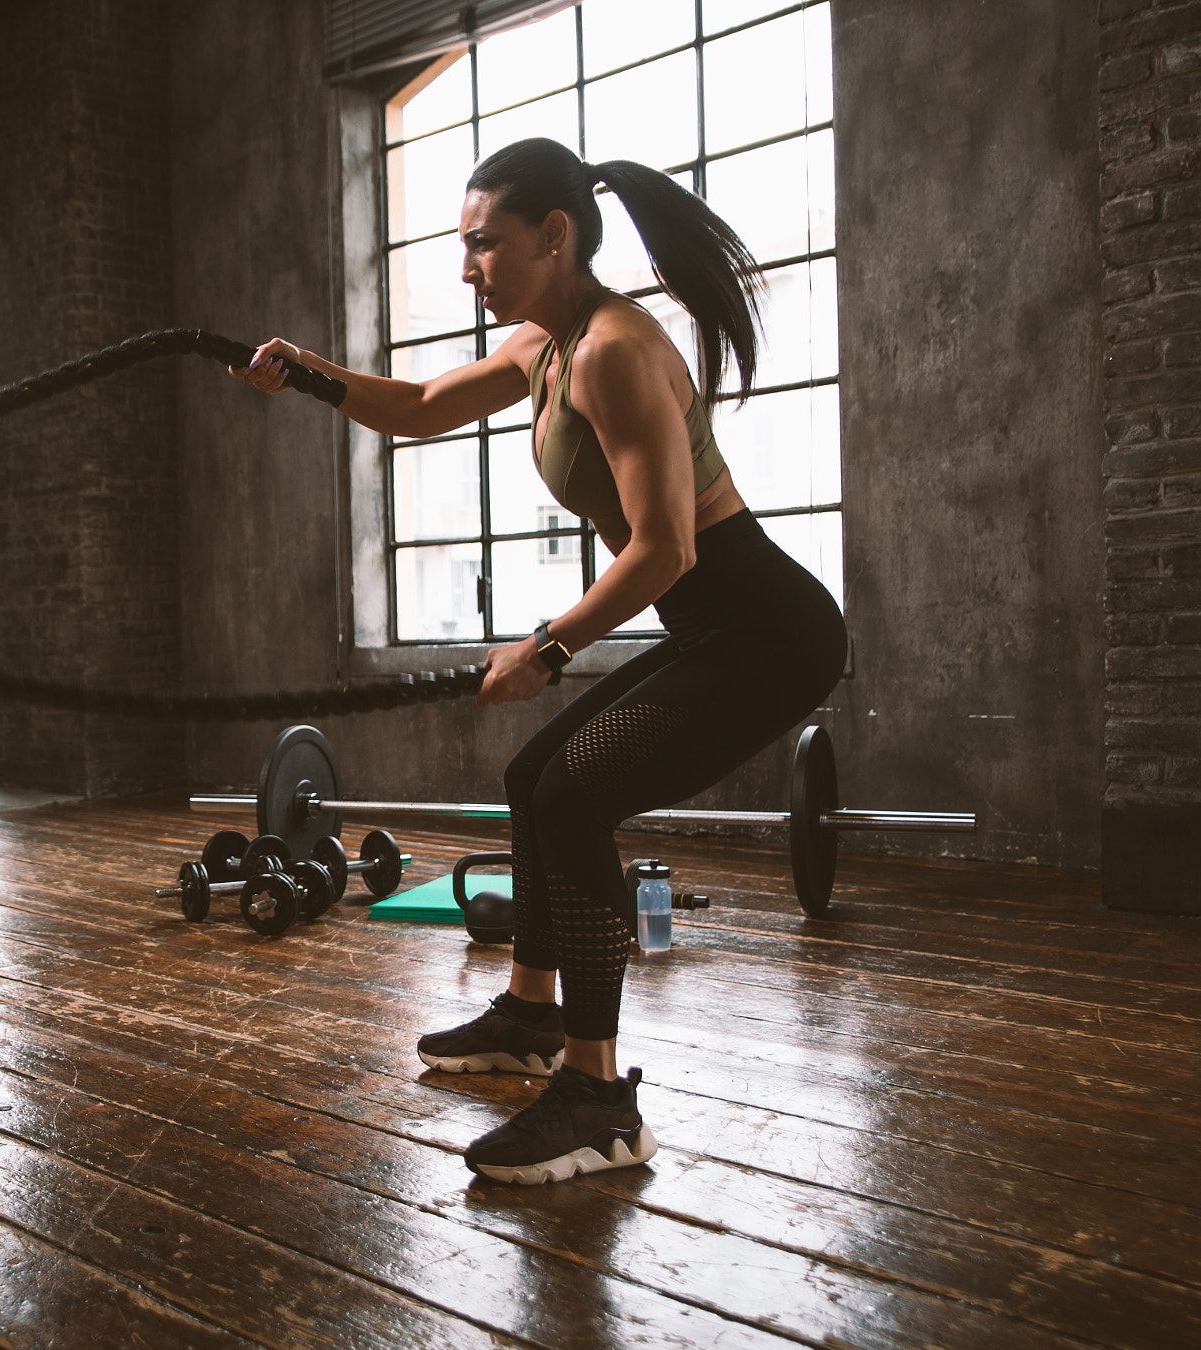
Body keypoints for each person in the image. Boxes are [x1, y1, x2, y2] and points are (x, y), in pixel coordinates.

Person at [231, 136, 846, 1184]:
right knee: (533, 781)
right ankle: (528, 1010)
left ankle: (599, 1099)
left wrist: (550, 645)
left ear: (552, 237)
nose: (467, 265)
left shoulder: (612, 347)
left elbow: (669, 546)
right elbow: (421, 407)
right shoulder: (544, 344)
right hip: (712, 627)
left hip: (770, 632)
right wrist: (310, 377)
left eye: (484, 244)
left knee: (573, 799)